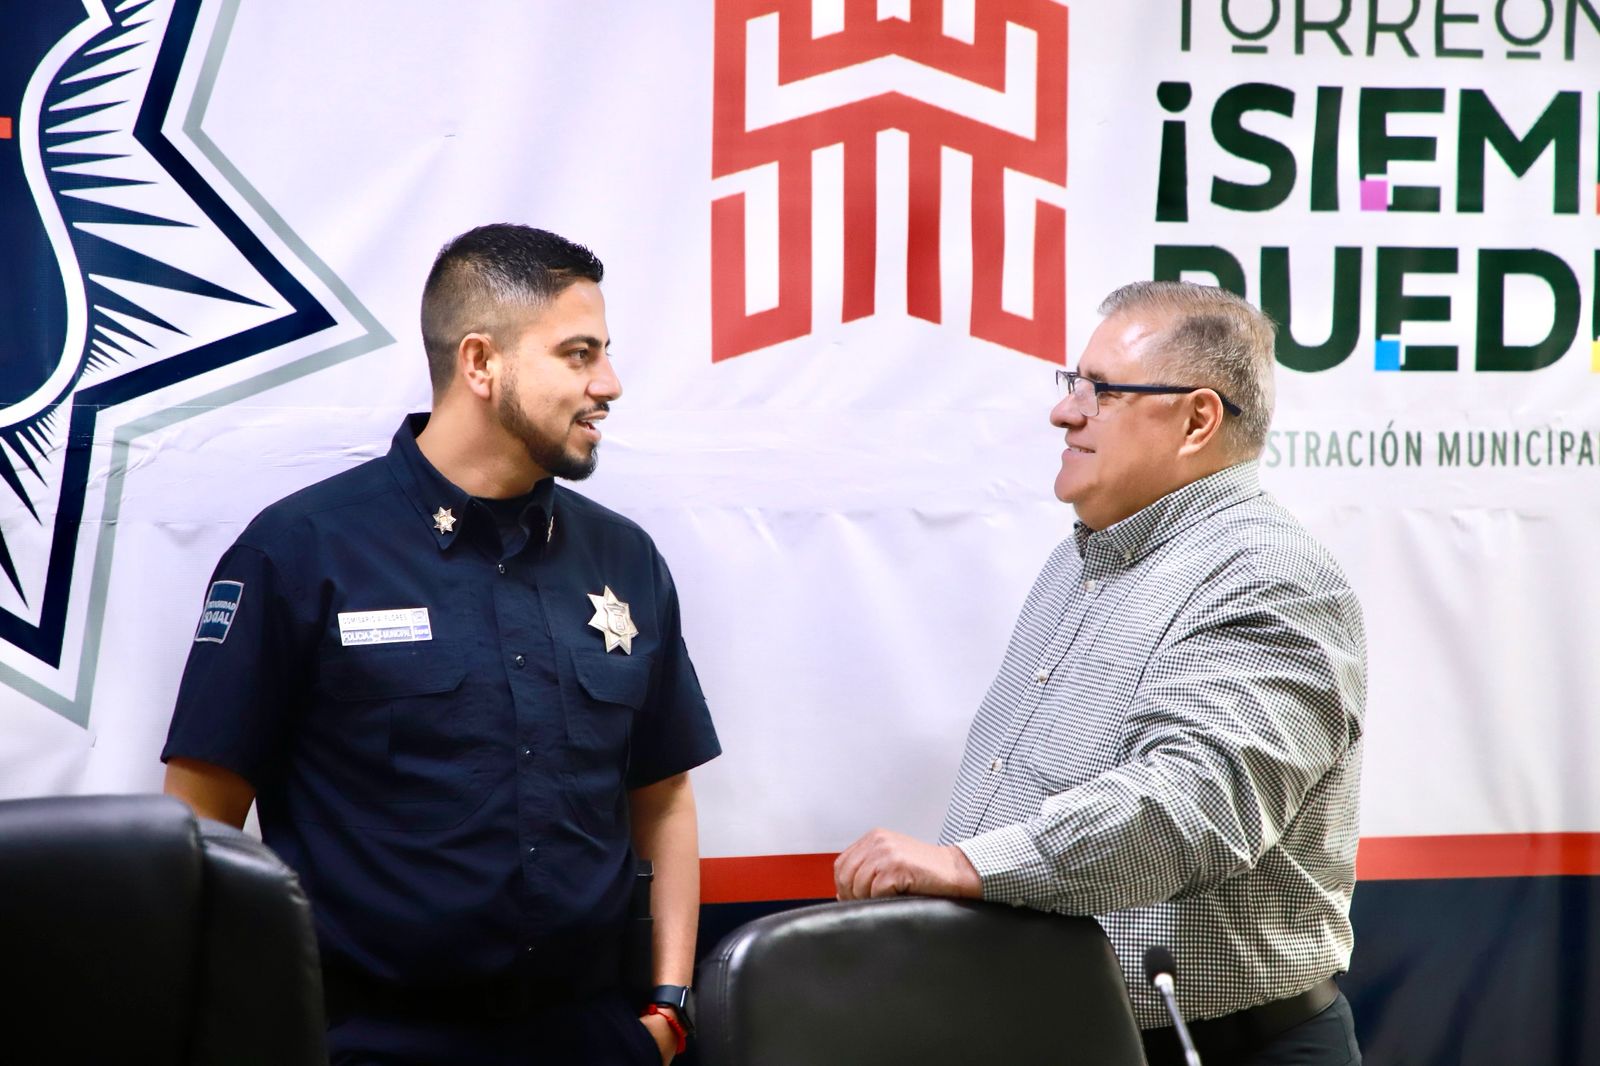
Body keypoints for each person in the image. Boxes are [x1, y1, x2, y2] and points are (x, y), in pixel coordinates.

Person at [162, 224, 720, 1066]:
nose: (608, 383)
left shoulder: (624, 558)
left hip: (592, 1040)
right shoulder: (301, 552)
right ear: (481, 363)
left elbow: (664, 792)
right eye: (578, 354)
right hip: (370, 1043)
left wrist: (670, 1008)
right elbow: (199, 825)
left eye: (603, 353)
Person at [834, 281, 1366, 1066]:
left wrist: (966, 866)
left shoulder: (1269, 575)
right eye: (1072, 383)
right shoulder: (1082, 559)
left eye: (1103, 390)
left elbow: (1195, 805)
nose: (1065, 411)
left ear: (1197, 420)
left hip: (1214, 1048)